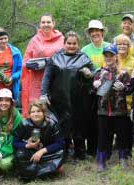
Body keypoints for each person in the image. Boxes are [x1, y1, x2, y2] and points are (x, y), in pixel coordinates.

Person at [40, 31, 95, 160]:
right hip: (59, 100)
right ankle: (63, 152)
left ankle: (80, 152)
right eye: (69, 43)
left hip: (79, 100)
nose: (71, 46)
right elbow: (46, 77)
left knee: (79, 126)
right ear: (64, 44)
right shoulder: (55, 58)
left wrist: (90, 74)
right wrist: (43, 94)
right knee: (61, 126)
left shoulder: (84, 57)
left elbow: (95, 72)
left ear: (78, 44)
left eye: (74, 43)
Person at [93, 44, 131, 172]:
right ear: (103, 56)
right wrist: (94, 85)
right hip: (103, 111)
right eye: (106, 55)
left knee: (122, 136)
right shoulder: (98, 73)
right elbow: (92, 91)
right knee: (103, 136)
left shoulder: (123, 73)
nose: (108, 58)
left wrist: (124, 88)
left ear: (116, 56)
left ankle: (123, 159)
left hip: (119, 111)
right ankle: (101, 161)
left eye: (111, 55)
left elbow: (130, 89)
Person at [21, 13, 64, 118]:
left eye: (48, 22)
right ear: (40, 24)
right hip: (38, 82)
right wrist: (34, 64)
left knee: (56, 113)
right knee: (38, 112)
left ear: (53, 24)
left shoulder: (61, 38)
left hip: (56, 82)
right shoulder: (34, 40)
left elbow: (67, 56)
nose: (46, 24)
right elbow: (25, 62)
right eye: (43, 22)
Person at [13, 100, 64, 182]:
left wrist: (42, 151)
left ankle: (40, 170)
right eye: (33, 112)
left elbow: (60, 143)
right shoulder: (23, 124)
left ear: (44, 112)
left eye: (38, 111)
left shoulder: (52, 124)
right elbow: (15, 142)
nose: (35, 114)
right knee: (19, 155)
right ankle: (46, 171)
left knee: (60, 153)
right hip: (30, 153)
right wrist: (27, 145)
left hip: (47, 152)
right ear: (29, 114)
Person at [81, 20, 110, 156]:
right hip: (90, 89)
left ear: (102, 32)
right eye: (92, 31)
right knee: (91, 119)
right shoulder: (85, 50)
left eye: (97, 30)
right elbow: (80, 66)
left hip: (107, 88)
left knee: (104, 119)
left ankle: (104, 148)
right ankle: (92, 149)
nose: (94, 33)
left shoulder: (109, 46)